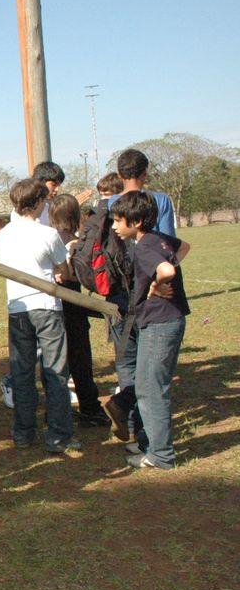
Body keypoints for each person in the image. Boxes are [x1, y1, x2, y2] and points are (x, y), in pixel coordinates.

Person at [110, 191, 190, 469]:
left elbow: (167, 270)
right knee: (146, 386)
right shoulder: (158, 238)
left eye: (118, 220)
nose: (114, 226)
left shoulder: (144, 247)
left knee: (150, 389)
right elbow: (184, 247)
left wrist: (157, 284)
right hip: (168, 320)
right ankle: (152, 446)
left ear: (137, 221)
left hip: (160, 323)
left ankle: (161, 456)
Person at [0, 180, 77, 453]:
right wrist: (61, 273)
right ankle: (58, 436)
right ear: (39, 202)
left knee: (22, 373)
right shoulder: (48, 234)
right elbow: (64, 270)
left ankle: (23, 432)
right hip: (47, 307)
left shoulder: (3, 235)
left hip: (17, 308)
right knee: (55, 372)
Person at [102, 149, 177, 443]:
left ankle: (129, 425)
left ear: (119, 174)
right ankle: (147, 434)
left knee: (127, 363)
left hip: (116, 294)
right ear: (145, 173)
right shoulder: (159, 201)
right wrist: (157, 281)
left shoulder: (105, 204)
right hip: (149, 295)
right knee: (150, 369)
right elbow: (171, 246)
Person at [47, 194, 110, 427]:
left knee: (55, 360)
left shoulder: (48, 239)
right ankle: (90, 408)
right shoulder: (74, 242)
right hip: (72, 303)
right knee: (80, 359)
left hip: (51, 304)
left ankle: (56, 411)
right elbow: (75, 275)